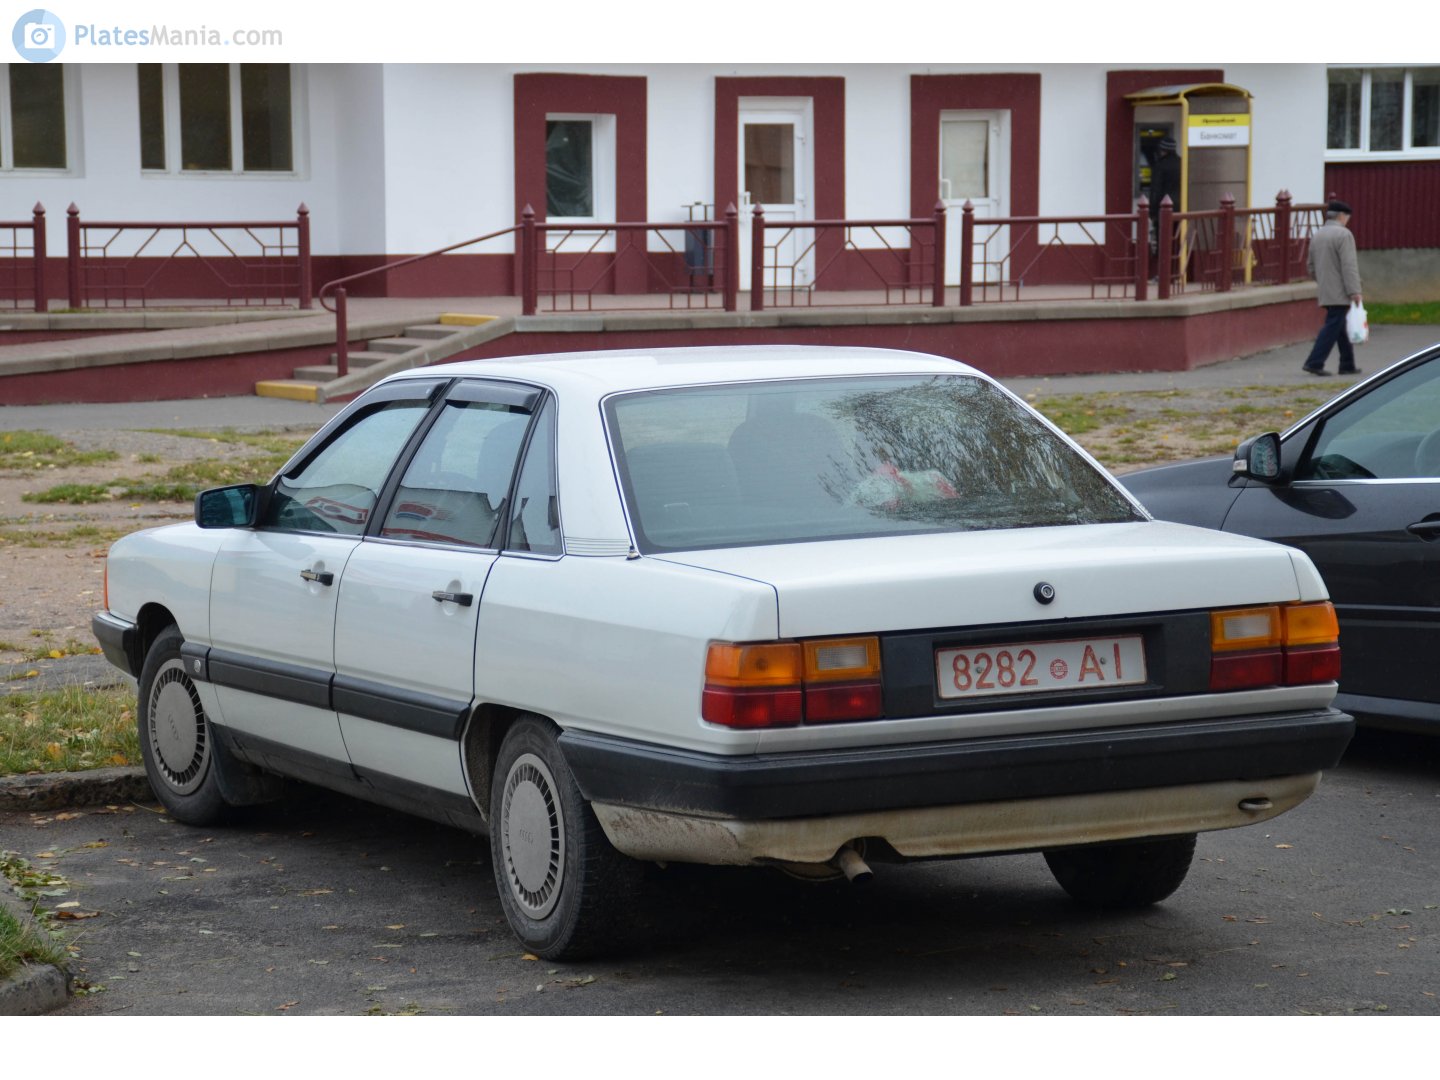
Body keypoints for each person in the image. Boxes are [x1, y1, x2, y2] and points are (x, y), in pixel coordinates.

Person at [1302, 199, 1363, 377]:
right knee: (1333, 325)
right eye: (1347, 218)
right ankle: (1314, 361)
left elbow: (1310, 266)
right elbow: (1349, 265)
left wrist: (1323, 281)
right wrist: (1355, 291)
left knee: (1339, 326)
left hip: (1326, 289)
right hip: (1341, 290)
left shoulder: (1318, 235)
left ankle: (1347, 364)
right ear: (1342, 216)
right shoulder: (1344, 235)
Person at [1148, 137, 1182, 273]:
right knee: (1176, 241)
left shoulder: (1160, 166)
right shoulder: (1182, 164)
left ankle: (1163, 275)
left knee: (1163, 243)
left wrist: (1152, 212)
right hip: (1181, 209)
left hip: (1164, 211)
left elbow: (1156, 190)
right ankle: (1176, 272)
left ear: (1162, 150)